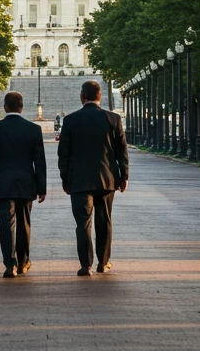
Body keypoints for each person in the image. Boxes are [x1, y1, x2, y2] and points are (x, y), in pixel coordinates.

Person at [57, 80, 129, 276]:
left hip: (79, 180)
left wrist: (65, 179)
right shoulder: (113, 118)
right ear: (101, 96)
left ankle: (85, 264)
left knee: (83, 223)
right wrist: (124, 176)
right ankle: (103, 262)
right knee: (104, 221)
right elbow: (121, 150)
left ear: (82, 97)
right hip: (107, 179)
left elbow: (63, 153)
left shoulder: (71, 120)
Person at [0, 91, 47, 278]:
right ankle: (23, 262)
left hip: (1, 183)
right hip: (26, 183)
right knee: (24, 223)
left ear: (5, 107)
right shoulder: (33, 129)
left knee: (5, 224)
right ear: (22, 107)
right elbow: (39, 162)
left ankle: (9, 264)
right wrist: (41, 188)